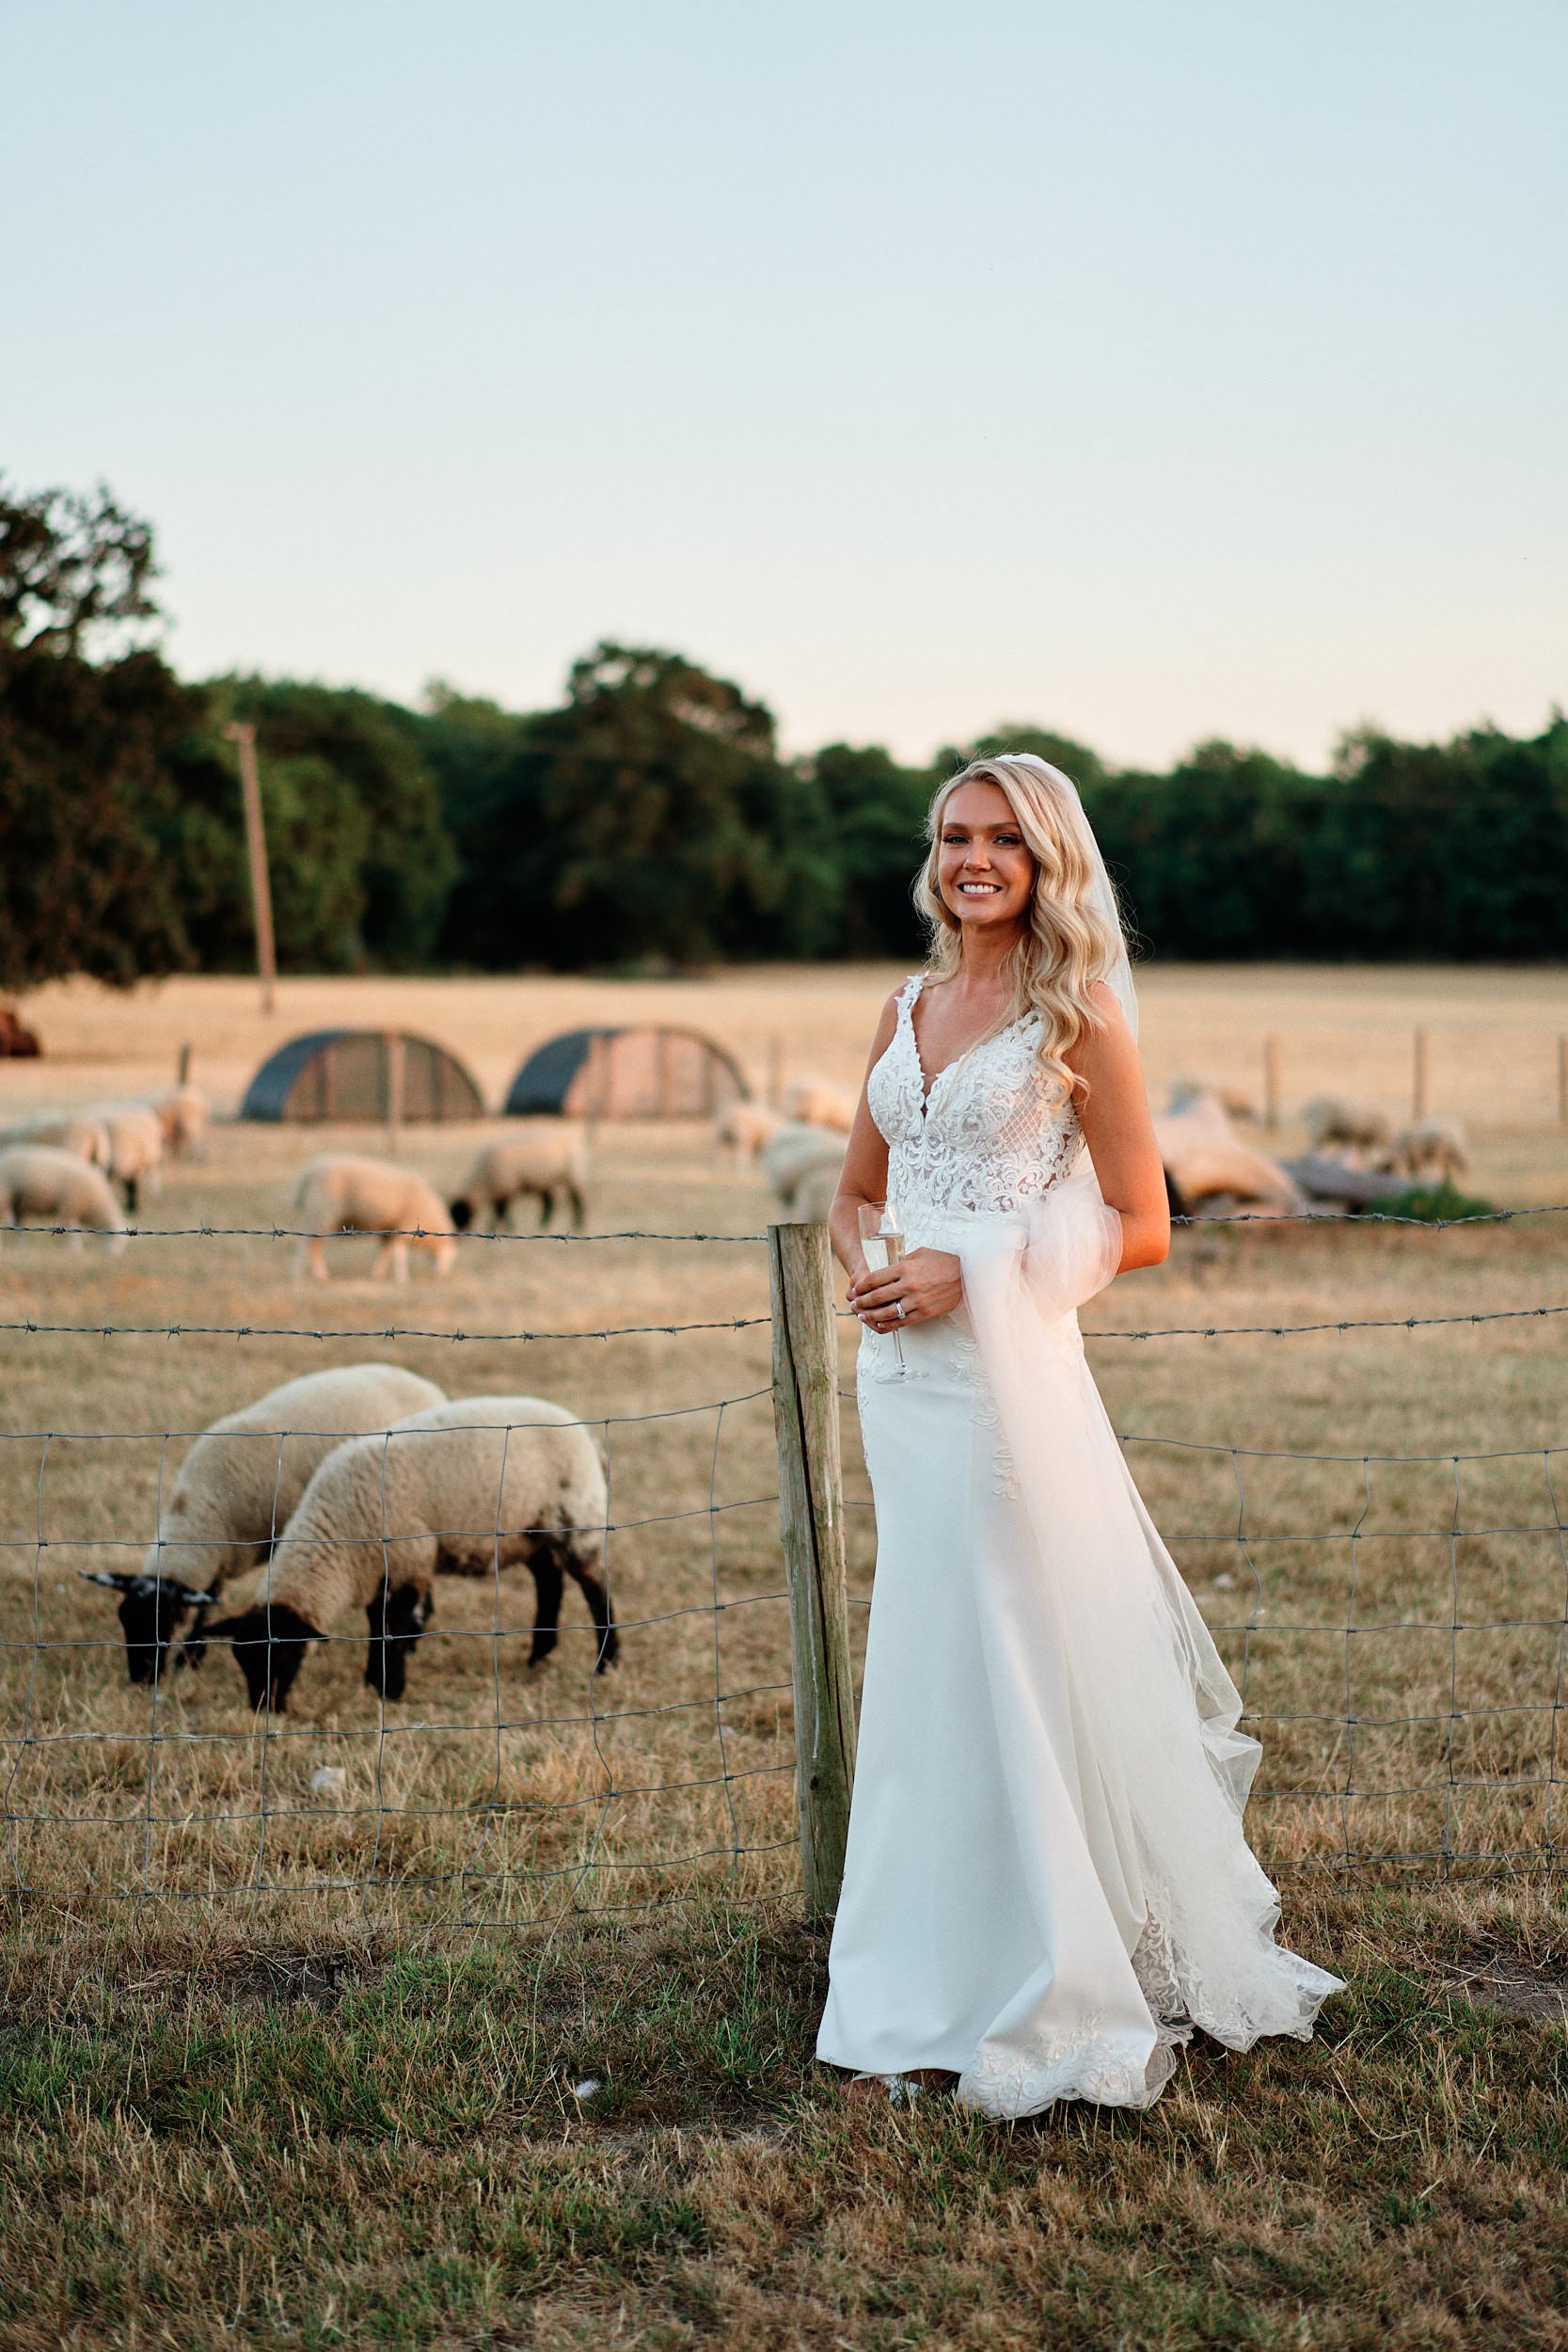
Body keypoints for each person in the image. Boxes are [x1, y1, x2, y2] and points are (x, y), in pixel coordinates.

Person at [818, 753, 1340, 2115]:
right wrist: (870, 1266)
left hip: (1006, 1386)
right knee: (923, 1663)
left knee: (1005, 1656)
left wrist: (970, 1270)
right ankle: (906, 1986)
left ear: (1049, 860)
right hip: (901, 1383)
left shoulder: (1079, 1012)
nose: (973, 860)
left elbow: (1144, 1225)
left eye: (1003, 839)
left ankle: (1042, 1980)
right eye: (954, 837)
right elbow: (854, 1190)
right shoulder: (904, 1007)